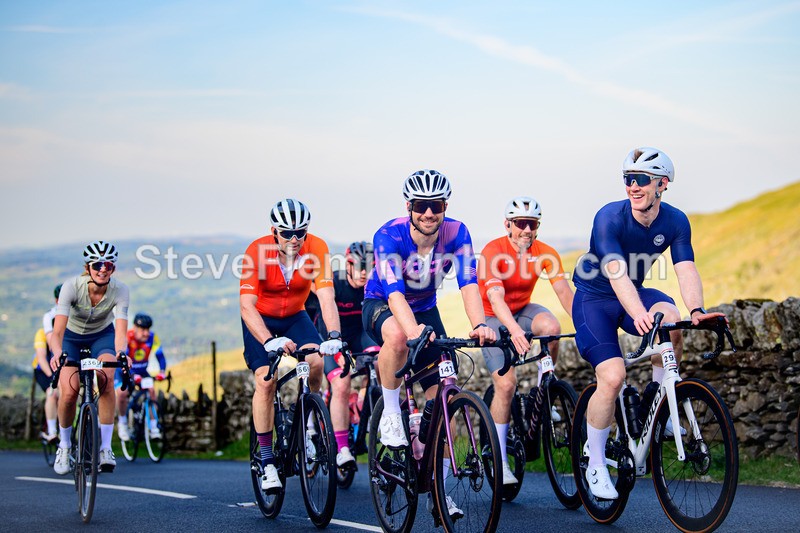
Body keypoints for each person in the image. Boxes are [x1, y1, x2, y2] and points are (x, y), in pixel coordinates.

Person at [572, 147, 726, 499]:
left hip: (633, 291)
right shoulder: (609, 217)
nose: (633, 186)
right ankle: (595, 462)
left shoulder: (675, 221)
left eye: (641, 180)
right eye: (628, 179)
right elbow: (616, 273)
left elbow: (685, 268)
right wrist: (638, 313)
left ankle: (661, 400)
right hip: (596, 298)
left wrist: (697, 310)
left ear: (663, 184)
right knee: (612, 376)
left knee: (672, 319)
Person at [362, 169, 495, 520]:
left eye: (435, 205)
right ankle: (392, 412)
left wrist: (480, 324)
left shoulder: (456, 232)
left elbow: (468, 282)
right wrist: (413, 332)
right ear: (409, 206)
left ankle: (438, 486)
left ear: (444, 206)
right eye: (421, 205)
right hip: (382, 304)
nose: (429, 213)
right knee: (397, 337)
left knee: (444, 398)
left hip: (426, 308)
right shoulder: (388, 236)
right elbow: (394, 294)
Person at [240, 198, 342, 493]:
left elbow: (325, 296)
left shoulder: (317, 248)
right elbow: (247, 306)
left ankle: (309, 424)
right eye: (287, 233)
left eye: (301, 233)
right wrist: (269, 340)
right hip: (261, 319)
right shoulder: (256, 252)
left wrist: (333, 334)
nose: (295, 239)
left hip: (295, 316)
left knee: (317, 361)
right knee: (265, 380)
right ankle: (268, 461)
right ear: (274, 231)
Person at [478, 196, 574, 485]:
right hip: (492, 317)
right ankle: (499, 459)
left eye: (532, 224)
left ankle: (543, 390)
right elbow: (495, 298)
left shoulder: (545, 252)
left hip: (521, 311)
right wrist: (515, 332)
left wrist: (586, 323)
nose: (526, 230)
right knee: (506, 385)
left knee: (551, 326)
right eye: (520, 223)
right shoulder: (492, 251)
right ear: (508, 224)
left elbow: (565, 294)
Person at [49, 241, 130, 475]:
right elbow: (57, 333)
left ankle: (105, 448)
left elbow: (121, 332)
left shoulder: (120, 290)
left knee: (105, 379)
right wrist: (57, 353)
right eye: (98, 265)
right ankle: (64, 445)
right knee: (70, 391)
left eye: (109, 266)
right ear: (88, 268)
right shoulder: (71, 287)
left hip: (102, 336)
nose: (103, 269)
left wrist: (122, 353)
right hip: (70, 339)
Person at [314, 241, 377, 469]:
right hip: (333, 336)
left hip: (360, 334)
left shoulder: (372, 284)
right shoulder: (336, 282)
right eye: (359, 266)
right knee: (341, 383)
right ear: (348, 265)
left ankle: (368, 409)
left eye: (369, 267)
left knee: (381, 362)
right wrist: (335, 346)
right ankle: (342, 449)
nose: (364, 272)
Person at [115, 313, 167, 441]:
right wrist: (132, 375)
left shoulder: (152, 338)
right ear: (135, 328)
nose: (146, 333)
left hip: (142, 371)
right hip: (124, 371)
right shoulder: (128, 337)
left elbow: (160, 356)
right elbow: (123, 360)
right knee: (122, 394)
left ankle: (154, 427)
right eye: (143, 330)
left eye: (148, 329)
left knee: (151, 391)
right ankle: (122, 423)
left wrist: (162, 371)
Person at [32, 284, 62, 441]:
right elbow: (42, 358)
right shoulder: (42, 332)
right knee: (52, 393)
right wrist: (52, 379)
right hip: (44, 369)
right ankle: (52, 432)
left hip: (62, 366)